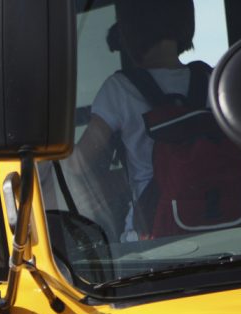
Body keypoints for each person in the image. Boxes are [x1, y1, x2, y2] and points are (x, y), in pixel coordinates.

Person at [71, 0, 202, 240]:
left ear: (129, 30)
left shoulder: (119, 90)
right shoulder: (213, 81)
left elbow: (78, 165)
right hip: (222, 225)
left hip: (153, 235)